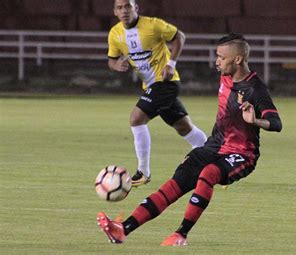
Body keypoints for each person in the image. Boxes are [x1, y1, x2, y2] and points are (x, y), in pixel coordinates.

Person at [96, 33, 282, 246]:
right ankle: (123, 229)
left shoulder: (255, 88)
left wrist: (255, 120)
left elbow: (276, 123)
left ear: (238, 59)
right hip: (214, 145)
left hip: (241, 153)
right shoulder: (226, 76)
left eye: (221, 57)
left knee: (208, 173)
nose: (217, 62)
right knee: (176, 183)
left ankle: (181, 234)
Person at [107, 0, 207, 187]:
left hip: (166, 83)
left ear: (136, 8)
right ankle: (215, 157)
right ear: (115, 12)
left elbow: (180, 37)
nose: (124, 11)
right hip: (150, 87)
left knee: (136, 119)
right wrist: (117, 65)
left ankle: (143, 172)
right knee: (184, 128)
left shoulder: (152, 25)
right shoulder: (115, 34)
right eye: (119, 8)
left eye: (127, 6)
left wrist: (171, 64)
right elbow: (111, 60)